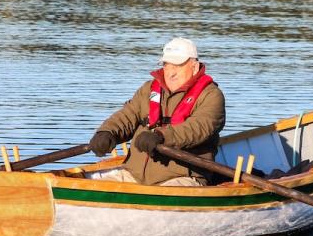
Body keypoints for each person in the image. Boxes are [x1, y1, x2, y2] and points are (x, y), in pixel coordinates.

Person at [88, 38, 225, 186]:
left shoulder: (211, 95)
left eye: (177, 66)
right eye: (167, 65)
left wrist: (161, 136)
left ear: (195, 67)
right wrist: (107, 132)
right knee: (87, 183)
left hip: (183, 177)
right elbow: (128, 115)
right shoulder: (148, 89)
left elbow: (198, 128)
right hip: (134, 174)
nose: (171, 73)